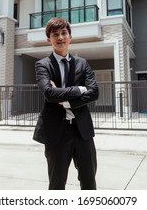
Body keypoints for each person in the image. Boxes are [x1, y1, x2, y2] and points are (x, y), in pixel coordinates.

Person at [33, 17, 99, 190]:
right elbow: (49, 93)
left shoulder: (82, 64)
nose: (60, 37)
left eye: (64, 33)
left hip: (82, 132)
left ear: (70, 37)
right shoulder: (43, 65)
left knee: (89, 182)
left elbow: (94, 93)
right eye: (55, 34)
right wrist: (79, 90)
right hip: (56, 133)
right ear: (49, 39)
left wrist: (65, 101)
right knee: (56, 184)